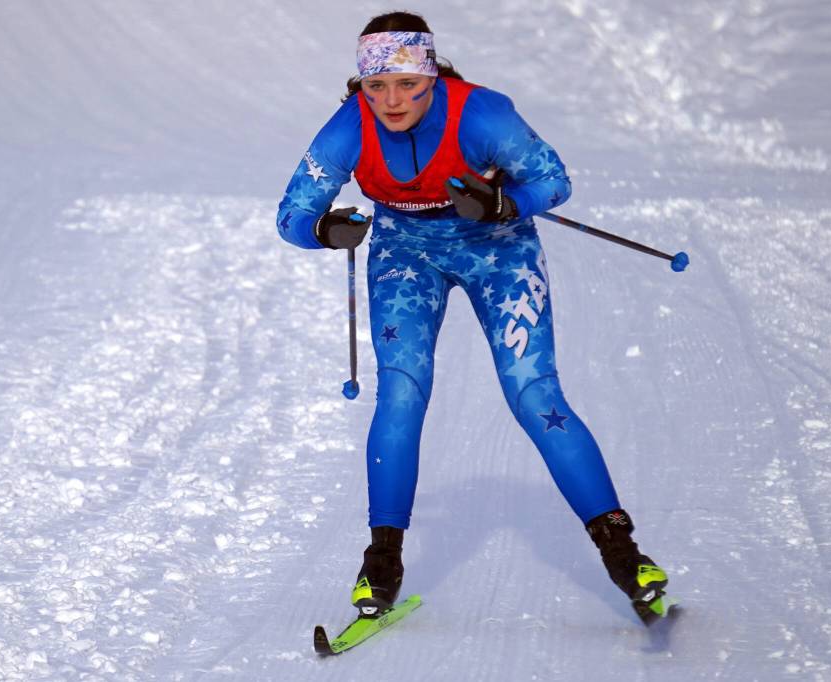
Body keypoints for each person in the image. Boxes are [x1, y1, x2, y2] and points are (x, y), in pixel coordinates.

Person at [277, 11, 667, 619]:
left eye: (407, 82)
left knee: (534, 394)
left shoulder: (481, 114)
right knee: (402, 394)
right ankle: (381, 561)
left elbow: (554, 180)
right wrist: (325, 229)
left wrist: (509, 202)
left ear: (431, 73)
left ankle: (624, 552)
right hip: (405, 252)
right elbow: (290, 217)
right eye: (376, 86)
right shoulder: (347, 128)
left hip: (497, 249)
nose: (392, 100)